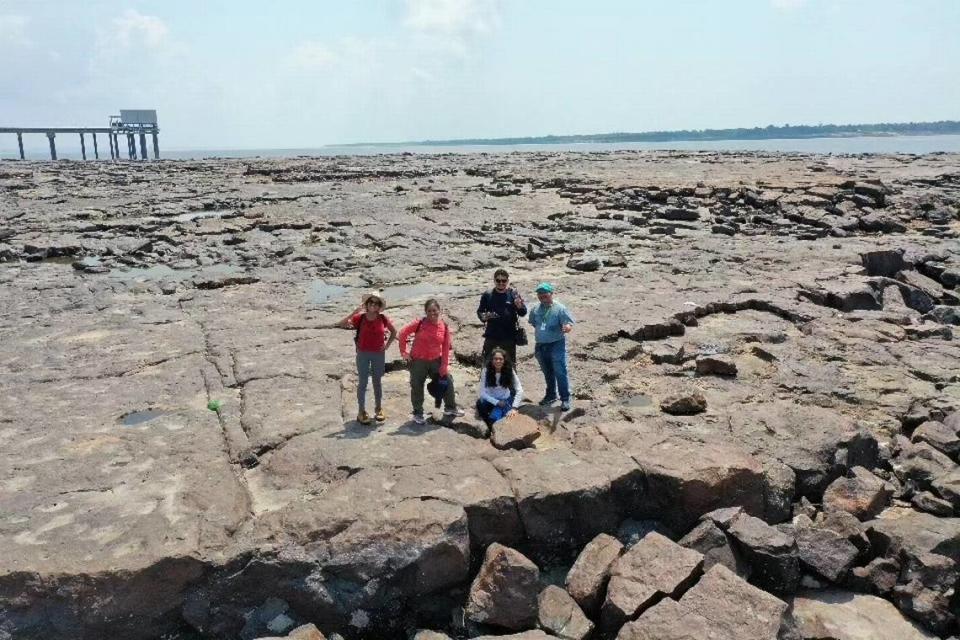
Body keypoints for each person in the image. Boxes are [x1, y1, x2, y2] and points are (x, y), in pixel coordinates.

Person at [399, 298, 464, 425]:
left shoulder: (443, 326)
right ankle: (418, 413)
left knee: (447, 380)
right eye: (429, 311)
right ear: (425, 312)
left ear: (439, 310)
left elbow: (446, 347)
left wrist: (445, 365)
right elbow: (402, 333)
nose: (432, 313)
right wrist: (404, 352)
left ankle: (450, 408)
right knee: (417, 386)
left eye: (434, 310)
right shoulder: (419, 323)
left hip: (436, 360)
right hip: (418, 361)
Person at [338, 291, 396, 425]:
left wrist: (386, 346)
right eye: (371, 302)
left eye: (376, 303)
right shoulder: (360, 318)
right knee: (363, 383)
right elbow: (341, 324)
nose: (373, 305)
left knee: (377, 382)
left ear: (379, 305)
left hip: (378, 354)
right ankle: (361, 411)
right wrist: (354, 312)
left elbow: (394, 332)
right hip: (363, 354)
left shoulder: (383, 318)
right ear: (367, 304)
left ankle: (378, 409)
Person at [528, 282, 575, 411]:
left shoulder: (560, 308)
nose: (542, 295)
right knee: (547, 372)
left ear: (551, 293)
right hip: (541, 345)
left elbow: (569, 323)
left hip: (556, 344)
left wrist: (567, 328)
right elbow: (533, 323)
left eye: (545, 293)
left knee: (560, 371)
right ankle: (551, 395)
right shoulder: (535, 309)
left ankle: (565, 398)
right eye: (539, 293)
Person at [476, 268, 527, 364]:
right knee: (488, 363)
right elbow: (480, 312)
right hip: (491, 335)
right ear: (494, 281)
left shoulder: (513, 294)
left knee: (510, 365)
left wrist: (519, 306)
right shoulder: (487, 295)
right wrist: (484, 316)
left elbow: (523, 312)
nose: (501, 283)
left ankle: (510, 379)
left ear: (507, 281)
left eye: (503, 281)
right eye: (498, 280)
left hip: (509, 337)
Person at [476, 348, 524, 426]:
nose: (498, 361)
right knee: (481, 406)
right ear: (492, 360)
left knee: (494, 419)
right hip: (490, 399)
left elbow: (519, 389)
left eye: (500, 359)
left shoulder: (510, 370)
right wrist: (497, 402)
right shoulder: (485, 371)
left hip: (504, 399)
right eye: (495, 359)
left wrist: (514, 408)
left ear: (504, 360)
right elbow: (482, 393)